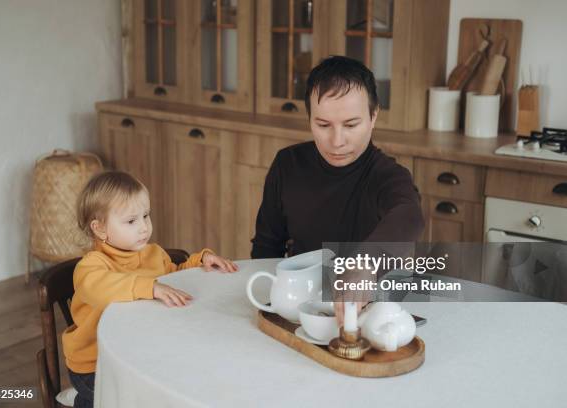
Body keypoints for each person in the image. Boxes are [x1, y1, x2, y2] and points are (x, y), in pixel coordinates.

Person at [251, 55, 424, 324]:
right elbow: (265, 247)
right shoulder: (288, 164)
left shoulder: (388, 176)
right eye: (323, 125)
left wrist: (364, 265)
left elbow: (409, 215)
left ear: (373, 116)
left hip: (364, 315)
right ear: (310, 119)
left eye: (351, 125)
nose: (337, 141)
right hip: (298, 311)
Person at [62, 171, 237, 408]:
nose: (144, 227)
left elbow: (173, 277)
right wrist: (150, 287)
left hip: (140, 351)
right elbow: (101, 288)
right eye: (131, 221)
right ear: (100, 229)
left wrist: (199, 261)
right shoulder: (92, 266)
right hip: (96, 363)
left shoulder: (153, 254)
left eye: (146, 216)